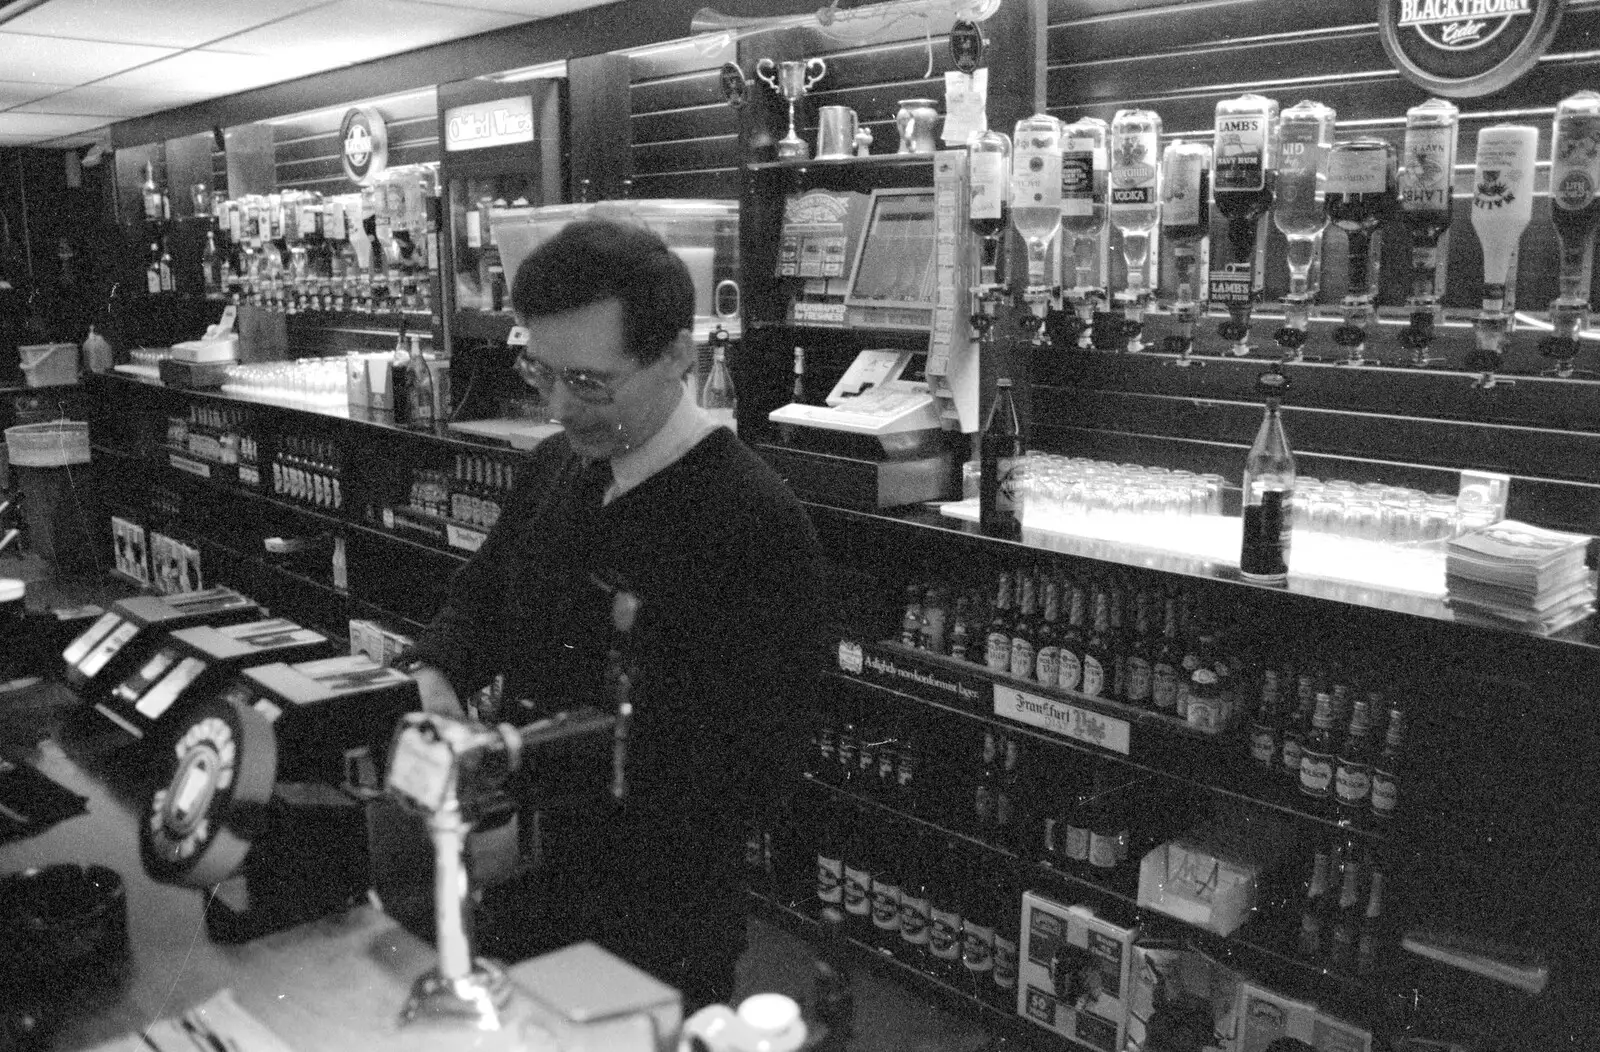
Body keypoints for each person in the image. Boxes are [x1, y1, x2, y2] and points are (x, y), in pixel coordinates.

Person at [397, 217, 826, 1010]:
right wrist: (435, 670)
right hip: (519, 887)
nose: (558, 405)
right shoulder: (556, 466)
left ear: (676, 357)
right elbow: (483, 596)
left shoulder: (754, 522)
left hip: (653, 926)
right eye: (541, 373)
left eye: (589, 383)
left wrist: (533, 804)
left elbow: (754, 772)